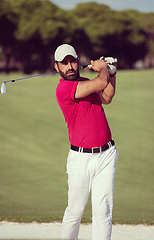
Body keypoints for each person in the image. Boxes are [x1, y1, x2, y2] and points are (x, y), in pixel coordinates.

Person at [54, 43, 118, 240]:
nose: (70, 66)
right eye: (64, 63)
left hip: (106, 154)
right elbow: (100, 84)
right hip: (81, 159)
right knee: (75, 210)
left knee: (103, 211)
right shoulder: (64, 88)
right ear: (56, 67)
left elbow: (106, 96)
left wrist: (112, 74)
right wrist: (103, 68)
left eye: (72, 61)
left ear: (78, 60)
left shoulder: (85, 82)